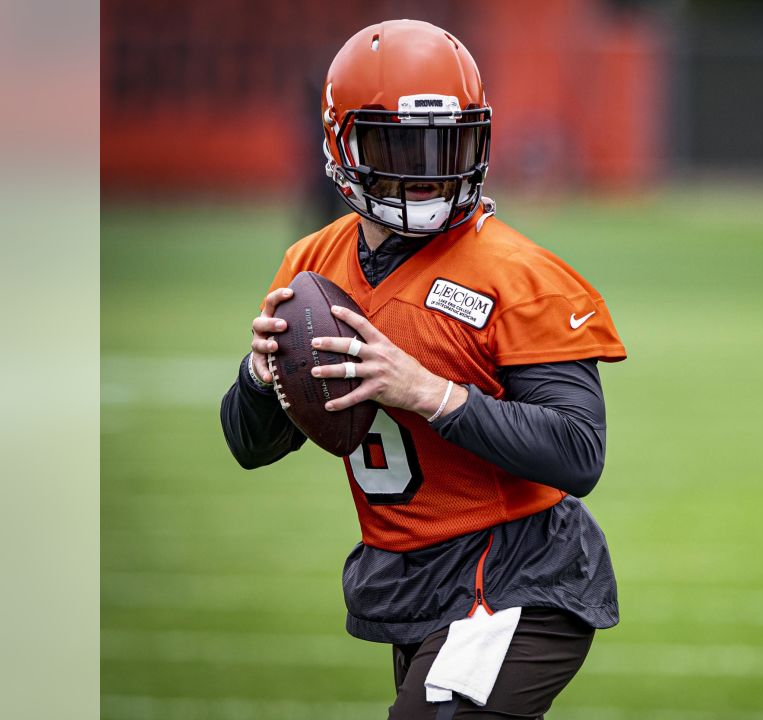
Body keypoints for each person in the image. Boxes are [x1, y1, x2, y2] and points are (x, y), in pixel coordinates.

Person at [219, 19, 626, 719]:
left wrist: (430, 393)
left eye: (448, 143)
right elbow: (249, 446)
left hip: (516, 571)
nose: (425, 169)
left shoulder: (520, 274)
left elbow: (578, 450)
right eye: (398, 143)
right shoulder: (312, 264)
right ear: (341, 142)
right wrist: (261, 379)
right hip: (407, 573)